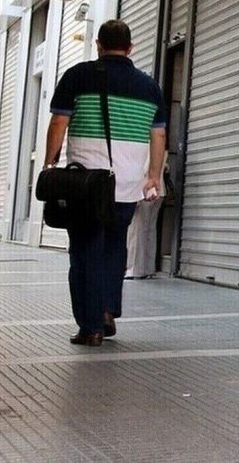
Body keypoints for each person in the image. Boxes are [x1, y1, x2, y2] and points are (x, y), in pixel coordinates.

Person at [44, 19, 167, 347]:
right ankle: (108, 309)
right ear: (130, 48)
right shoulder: (149, 87)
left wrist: (49, 162)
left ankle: (91, 326)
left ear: (98, 45)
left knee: (85, 250)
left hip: (85, 183)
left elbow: (59, 121)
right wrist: (153, 176)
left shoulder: (77, 75)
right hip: (126, 184)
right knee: (114, 247)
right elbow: (158, 136)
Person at [125, 162, 167, 280]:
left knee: (136, 230)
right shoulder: (163, 151)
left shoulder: (148, 150)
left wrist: (135, 193)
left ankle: (134, 269)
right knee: (150, 230)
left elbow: (143, 169)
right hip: (159, 190)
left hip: (145, 190)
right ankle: (149, 268)